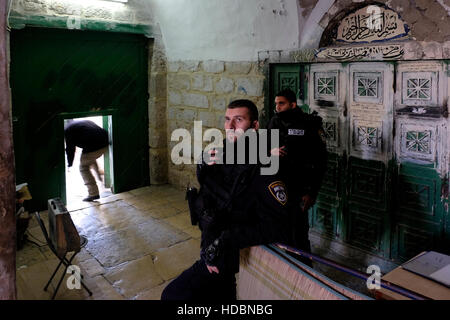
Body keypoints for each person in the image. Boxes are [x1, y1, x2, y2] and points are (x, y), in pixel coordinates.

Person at [161, 99, 291, 301]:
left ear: (254, 126)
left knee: (172, 295)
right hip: (212, 245)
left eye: (238, 120)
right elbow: (212, 193)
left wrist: (226, 241)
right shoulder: (224, 151)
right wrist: (203, 165)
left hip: (229, 250)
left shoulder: (265, 167)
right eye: (227, 120)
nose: (230, 127)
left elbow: (277, 227)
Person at [267, 89, 327, 259]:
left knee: (299, 233)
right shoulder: (274, 122)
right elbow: (262, 149)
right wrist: (270, 151)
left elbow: (320, 162)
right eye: (276, 103)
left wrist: (311, 192)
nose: (277, 107)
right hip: (277, 186)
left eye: (281, 103)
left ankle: (305, 271)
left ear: (292, 104)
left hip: (300, 188)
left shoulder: (310, 124)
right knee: (280, 230)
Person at [64, 119, 109, 202]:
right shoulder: (80, 123)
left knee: (83, 167)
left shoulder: (67, 130)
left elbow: (70, 149)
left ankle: (93, 193)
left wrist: (69, 164)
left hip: (94, 145)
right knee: (90, 159)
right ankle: (100, 179)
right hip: (106, 141)